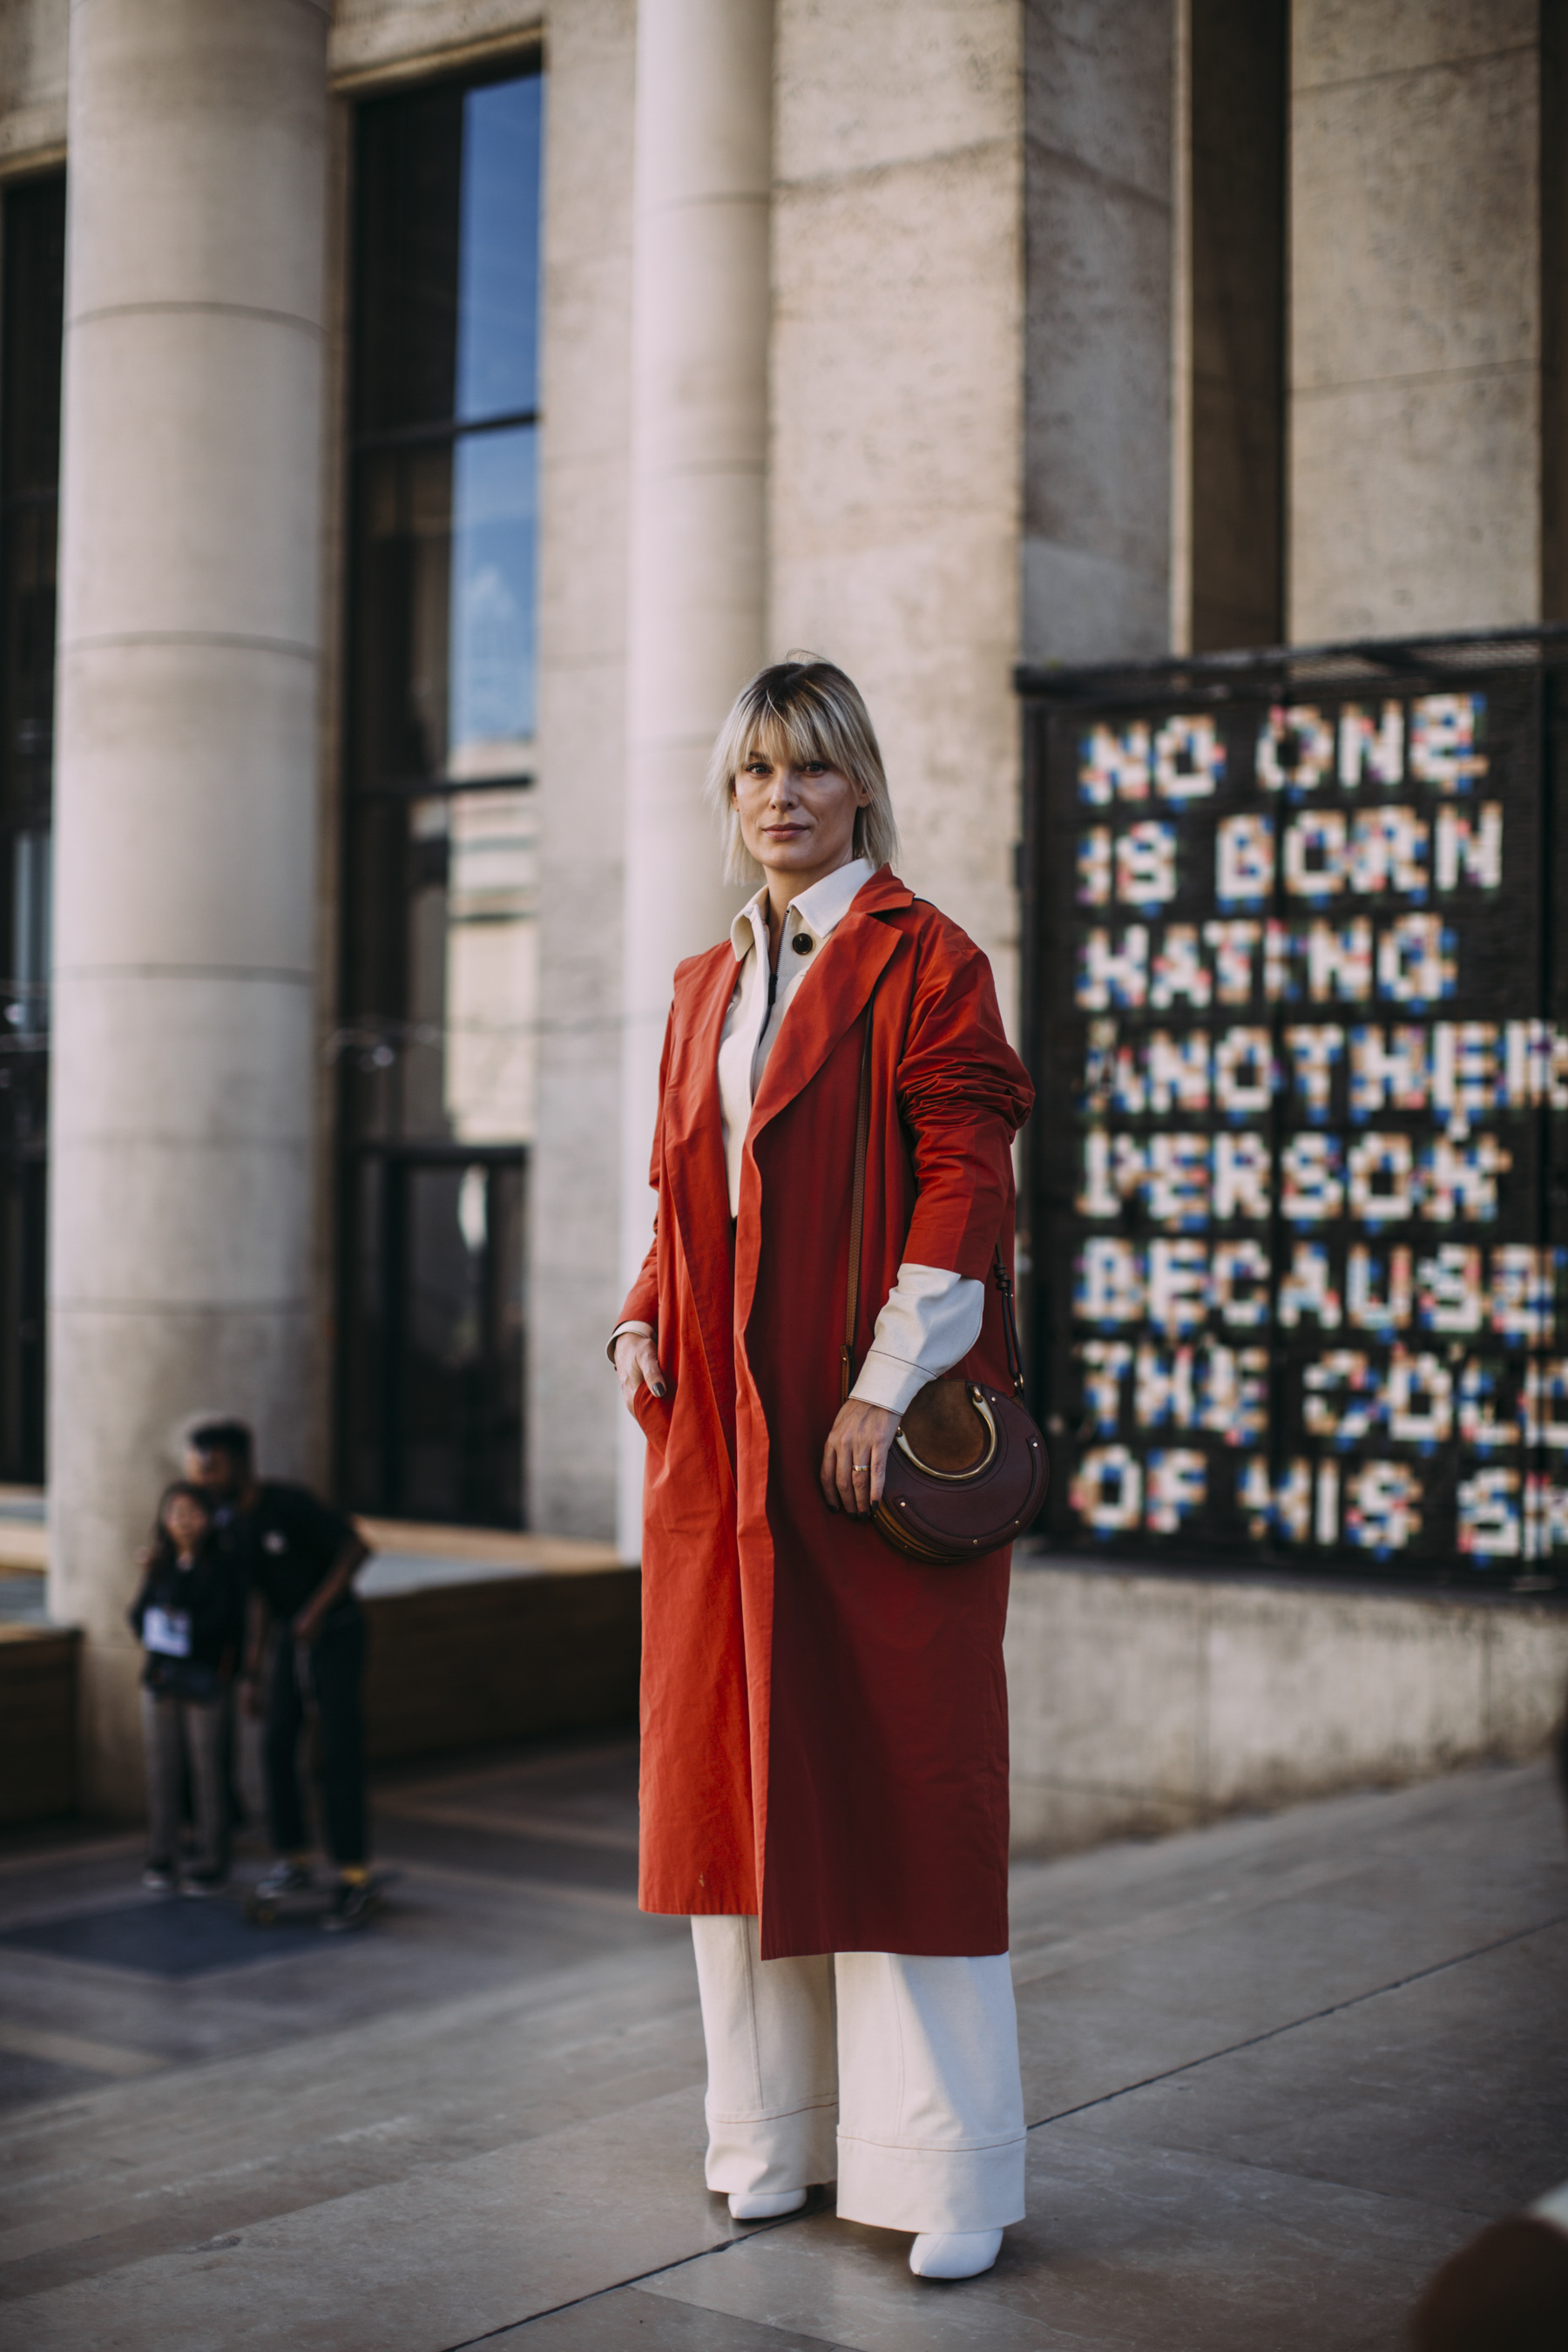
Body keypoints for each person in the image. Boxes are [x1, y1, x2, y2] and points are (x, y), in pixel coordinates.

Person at [611, 655, 1035, 2282]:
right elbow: (677, 1190)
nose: (778, 797)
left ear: (860, 782)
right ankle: (771, 2139)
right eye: (753, 774)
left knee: (902, 1795)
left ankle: (950, 2180)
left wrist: (884, 1386)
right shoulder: (701, 984)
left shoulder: (930, 959)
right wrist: (641, 1321)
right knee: (741, 1803)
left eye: (809, 768)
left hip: (866, 1448)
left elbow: (965, 1180)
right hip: (723, 1452)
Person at [185, 1419, 376, 1930]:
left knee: (337, 1749)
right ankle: (294, 1859)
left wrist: (316, 1610)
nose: (207, 1478)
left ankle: (354, 1874)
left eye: (215, 1467)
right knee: (274, 1744)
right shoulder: (232, 1523)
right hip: (289, 1640)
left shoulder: (289, 1504)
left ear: (242, 1464)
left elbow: (356, 1548)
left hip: (336, 1632)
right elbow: (257, 1601)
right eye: (201, 1470)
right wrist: (250, 1672)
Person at [128, 1482, 247, 1894]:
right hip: (162, 1679)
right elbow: (137, 1616)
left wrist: (183, 1620)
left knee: (207, 1770)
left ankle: (212, 1855)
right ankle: (163, 1852)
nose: (184, 1521)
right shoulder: (160, 1565)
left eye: (193, 1513)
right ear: (165, 1520)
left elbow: (227, 1623)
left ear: (210, 1519)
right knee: (162, 1769)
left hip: (204, 1680)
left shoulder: (224, 1565)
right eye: (176, 1513)